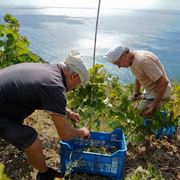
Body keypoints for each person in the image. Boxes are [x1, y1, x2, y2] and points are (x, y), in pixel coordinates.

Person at [0, 50, 90, 180]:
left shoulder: (49, 71)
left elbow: (44, 95)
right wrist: (83, 132)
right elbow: (64, 134)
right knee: (31, 140)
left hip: (4, 103)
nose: (74, 89)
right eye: (77, 85)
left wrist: (68, 112)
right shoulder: (55, 86)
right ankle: (44, 173)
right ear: (74, 76)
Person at [103, 46, 171, 117]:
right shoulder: (132, 60)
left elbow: (164, 82)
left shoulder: (143, 61)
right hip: (150, 91)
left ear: (124, 56)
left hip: (160, 93)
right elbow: (139, 75)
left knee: (139, 115)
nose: (119, 67)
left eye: (118, 63)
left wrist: (153, 104)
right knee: (135, 110)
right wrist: (137, 91)